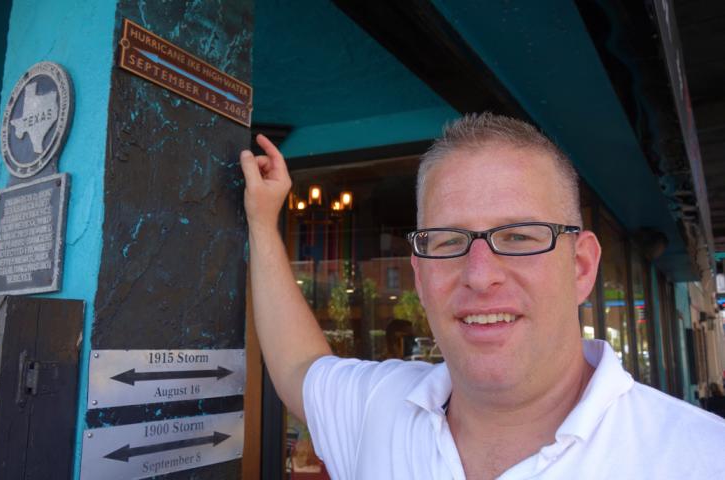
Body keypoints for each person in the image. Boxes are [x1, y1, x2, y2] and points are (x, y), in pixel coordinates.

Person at [240, 113, 725, 480]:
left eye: (518, 236)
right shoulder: (378, 410)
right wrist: (263, 222)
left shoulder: (701, 458)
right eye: (448, 241)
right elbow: (296, 365)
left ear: (580, 267)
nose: (479, 274)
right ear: (419, 276)